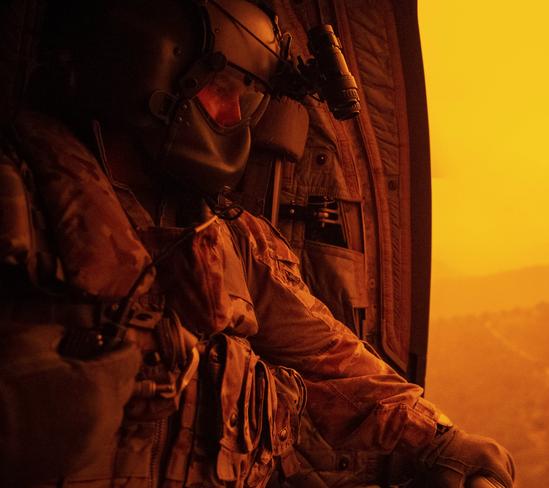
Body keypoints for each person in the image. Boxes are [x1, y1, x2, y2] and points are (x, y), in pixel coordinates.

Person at [0, 0, 515, 487]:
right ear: (148, 69)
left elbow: (326, 355)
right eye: (222, 93)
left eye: (244, 101)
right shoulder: (21, 207)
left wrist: (439, 440)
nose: (233, 120)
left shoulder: (227, 237)